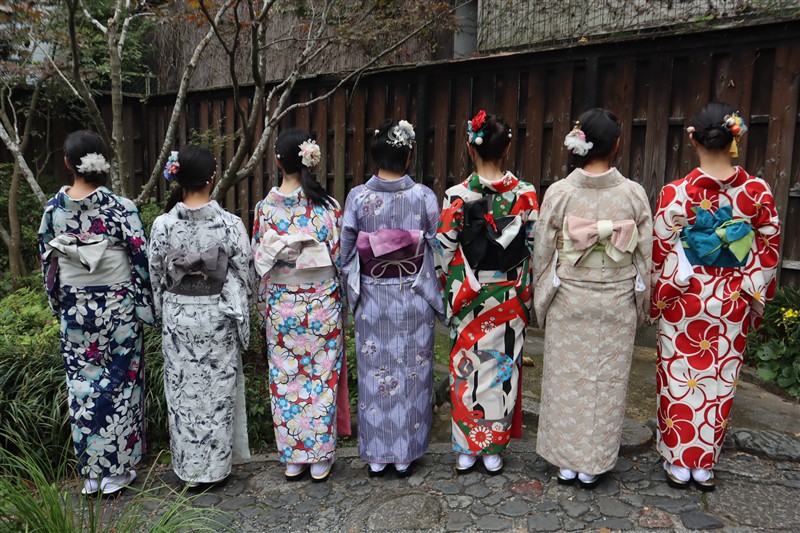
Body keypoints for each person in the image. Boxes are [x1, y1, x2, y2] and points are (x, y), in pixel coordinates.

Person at [651, 102, 780, 491]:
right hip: (731, 298)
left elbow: (660, 250)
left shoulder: (675, 192)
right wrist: (752, 289)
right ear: (735, 138)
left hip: (684, 296)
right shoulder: (756, 191)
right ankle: (704, 464)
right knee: (719, 378)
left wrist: (661, 294)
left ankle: (679, 461)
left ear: (693, 138)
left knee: (678, 376)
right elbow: (769, 246)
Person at [533, 109, 653, 489]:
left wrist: (541, 296)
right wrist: (642, 304)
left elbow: (542, 252)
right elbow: (645, 257)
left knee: (566, 380)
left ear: (578, 145)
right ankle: (593, 464)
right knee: (606, 383)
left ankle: (566, 463)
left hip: (569, 299)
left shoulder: (560, 193)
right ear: (617, 145)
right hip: (616, 301)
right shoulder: (633, 194)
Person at [37, 130, 154, 496]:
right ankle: (116, 471)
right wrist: (145, 306)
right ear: (103, 162)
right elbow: (140, 259)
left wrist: (58, 305)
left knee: (83, 387)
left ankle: (91, 474)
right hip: (117, 309)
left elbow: (48, 265)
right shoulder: (121, 207)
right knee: (121, 384)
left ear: (67, 163)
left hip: (75, 309)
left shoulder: (53, 211)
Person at [436, 110, 538, 475]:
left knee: (467, 369)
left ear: (470, 147)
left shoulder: (457, 195)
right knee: (502, 369)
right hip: (509, 294)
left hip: (469, 293)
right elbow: (533, 247)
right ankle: (492, 449)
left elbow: (445, 250)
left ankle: (467, 449)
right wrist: (525, 292)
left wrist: (447, 286)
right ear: (507, 148)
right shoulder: (525, 194)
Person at [340, 119, 443, 478]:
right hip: (414, 295)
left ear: (375, 155)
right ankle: (405, 456)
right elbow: (439, 250)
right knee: (412, 374)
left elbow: (345, 255)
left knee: (375, 375)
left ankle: (377, 455)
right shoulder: (424, 197)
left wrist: (356, 287)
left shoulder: (358, 198)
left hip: (372, 296)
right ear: (409, 156)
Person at [147, 146, 252, 488]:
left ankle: (190, 470)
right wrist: (245, 311)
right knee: (216, 393)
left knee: (184, 394)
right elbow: (245, 273)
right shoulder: (229, 224)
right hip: (218, 315)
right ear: (212, 178)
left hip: (179, 317)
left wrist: (163, 311)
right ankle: (216, 469)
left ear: (177, 177)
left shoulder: (163, 225)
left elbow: (155, 275)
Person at [252, 128, 349, 482]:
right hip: (321, 303)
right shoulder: (328, 207)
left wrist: (262, 308)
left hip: (282, 304)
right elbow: (339, 258)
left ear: (278, 161)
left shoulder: (265, 209)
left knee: (286, 378)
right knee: (321, 377)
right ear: (311, 160)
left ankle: (293, 458)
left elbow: (259, 260)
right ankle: (320, 458)